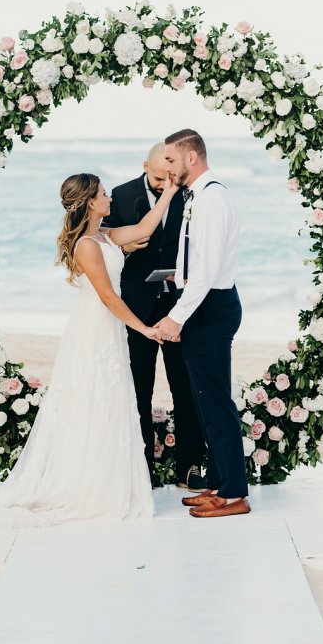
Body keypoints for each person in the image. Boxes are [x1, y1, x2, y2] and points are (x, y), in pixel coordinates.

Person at [0, 171, 178, 528]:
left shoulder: (103, 235)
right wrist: (144, 328)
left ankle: (107, 481)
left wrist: (170, 191)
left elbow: (145, 228)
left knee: (110, 400)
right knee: (94, 399)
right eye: (103, 194)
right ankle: (88, 487)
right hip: (95, 328)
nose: (110, 198)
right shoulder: (87, 245)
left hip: (107, 328)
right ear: (89, 202)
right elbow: (106, 296)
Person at [154, 129, 250, 519]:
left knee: (216, 404)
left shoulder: (212, 198)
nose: (168, 167)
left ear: (191, 158)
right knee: (203, 401)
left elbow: (208, 270)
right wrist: (177, 277)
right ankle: (219, 483)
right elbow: (197, 261)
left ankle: (234, 495)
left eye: (172, 160)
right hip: (202, 302)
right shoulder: (198, 195)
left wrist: (176, 317)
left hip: (211, 308)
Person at [105, 143, 206, 489]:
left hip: (179, 308)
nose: (165, 184)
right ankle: (142, 469)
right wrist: (125, 247)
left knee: (186, 388)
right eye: (158, 178)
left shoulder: (188, 193)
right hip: (137, 310)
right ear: (145, 164)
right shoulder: (120, 195)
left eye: (170, 177)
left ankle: (189, 467)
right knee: (138, 390)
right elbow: (104, 241)